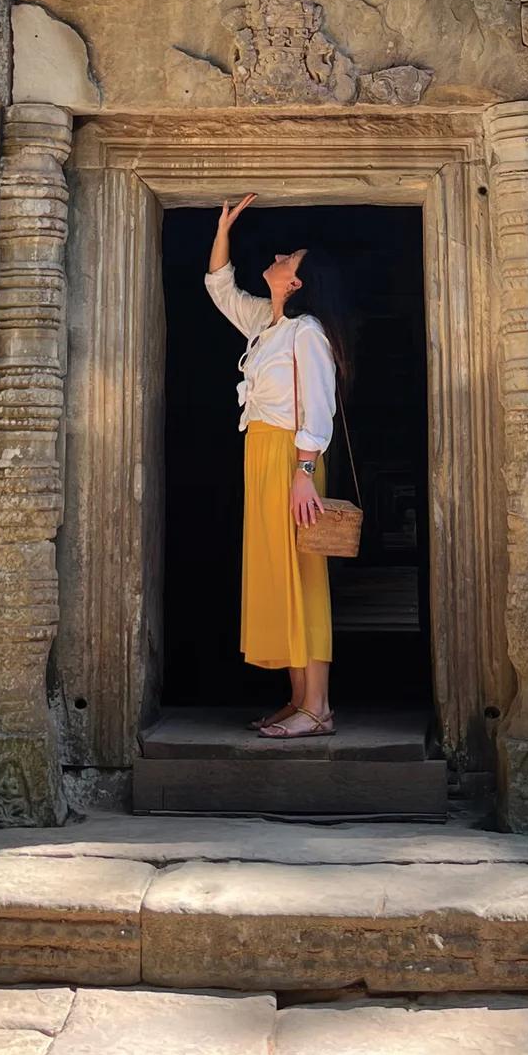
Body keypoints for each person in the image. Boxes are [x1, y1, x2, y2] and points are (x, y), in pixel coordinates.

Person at [206, 193, 337, 740]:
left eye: (292, 258)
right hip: (260, 453)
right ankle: (297, 698)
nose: (282, 256)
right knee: (276, 577)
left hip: (293, 458)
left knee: (304, 576)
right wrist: (223, 229)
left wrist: (303, 471)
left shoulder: (306, 332)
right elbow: (219, 287)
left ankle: (319, 708)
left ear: (296, 282)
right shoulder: (266, 325)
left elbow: (321, 404)